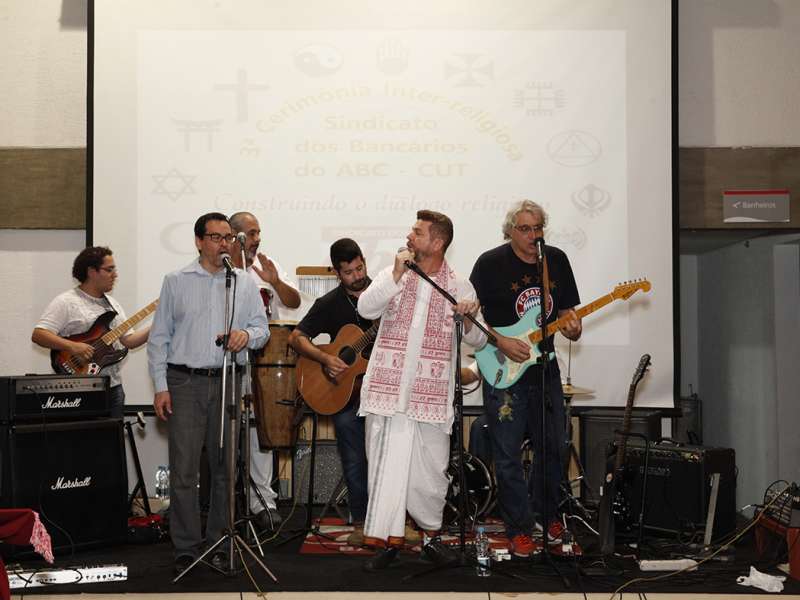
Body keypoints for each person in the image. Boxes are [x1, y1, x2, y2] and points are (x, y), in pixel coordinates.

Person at [356, 210, 487, 570]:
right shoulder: (393, 273)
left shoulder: (459, 285)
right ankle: (388, 542)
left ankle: (431, 539)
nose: (409, 236)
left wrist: (467, 317)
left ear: (438, 242)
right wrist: (396, 275)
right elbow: (365, 308)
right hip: (386, 393)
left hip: (430, 399)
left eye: (417, 232)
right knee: (384, 470)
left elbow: (478, 339)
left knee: (430, 474)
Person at [147, 212, 269, 575]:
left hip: (229, 380)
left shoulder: (243, 282)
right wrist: (160, 387)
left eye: (228, 237)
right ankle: (186, 546)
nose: (223, 244)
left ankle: (219, 541)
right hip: (184, 382)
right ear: (199, 242)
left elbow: (261, 329)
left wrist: (246, 336)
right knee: (184, 470)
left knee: (225, 469)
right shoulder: (176, 281)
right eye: (215, 237)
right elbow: (158, 339)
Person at [469, 199, 581, 557]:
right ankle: (518, 528)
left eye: (538, 228)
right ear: (510, 231)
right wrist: (500, 341)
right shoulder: (489, 264)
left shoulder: (556, 260)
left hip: (545, 365)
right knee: (507, 453)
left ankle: (546, 515)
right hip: (503, 367)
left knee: (555, 445)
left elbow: (567, 313)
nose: (534, 236)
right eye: (525, 229)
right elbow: (470, 319)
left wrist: (573, 327)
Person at [287, 238, 371, 546]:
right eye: (349, 272)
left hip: (380, 392)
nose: (357, 276)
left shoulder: (383, 296)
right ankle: (361, 522)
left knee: (387, 457)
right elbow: (296, 338)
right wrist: (325, 358)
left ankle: (394, 522)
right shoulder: (330, 303)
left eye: (360, 268)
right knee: (354, 458)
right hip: (345, 396)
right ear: (337, 273)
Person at [229, 211, 301, 530]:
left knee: (260, 427)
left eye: (258, 232)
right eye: (251, 233)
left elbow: (293, 301)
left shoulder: (266, 266)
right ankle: (226, 501)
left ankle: (263, 502)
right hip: (227, 359)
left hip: (265, 360)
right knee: (228, 429)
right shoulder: (220, 270)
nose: (257, 239)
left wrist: (275, 281)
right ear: (234, 236)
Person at [32, 246, 149, 418]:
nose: (115, 275)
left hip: (113, 388)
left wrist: (159, 324)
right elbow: (39, 334)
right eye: (109, 270)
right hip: (78, 388)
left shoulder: (113, 304)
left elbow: (129, 341)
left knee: (113, 435)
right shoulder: (66, 301)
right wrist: (72, 346)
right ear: (91, 272)